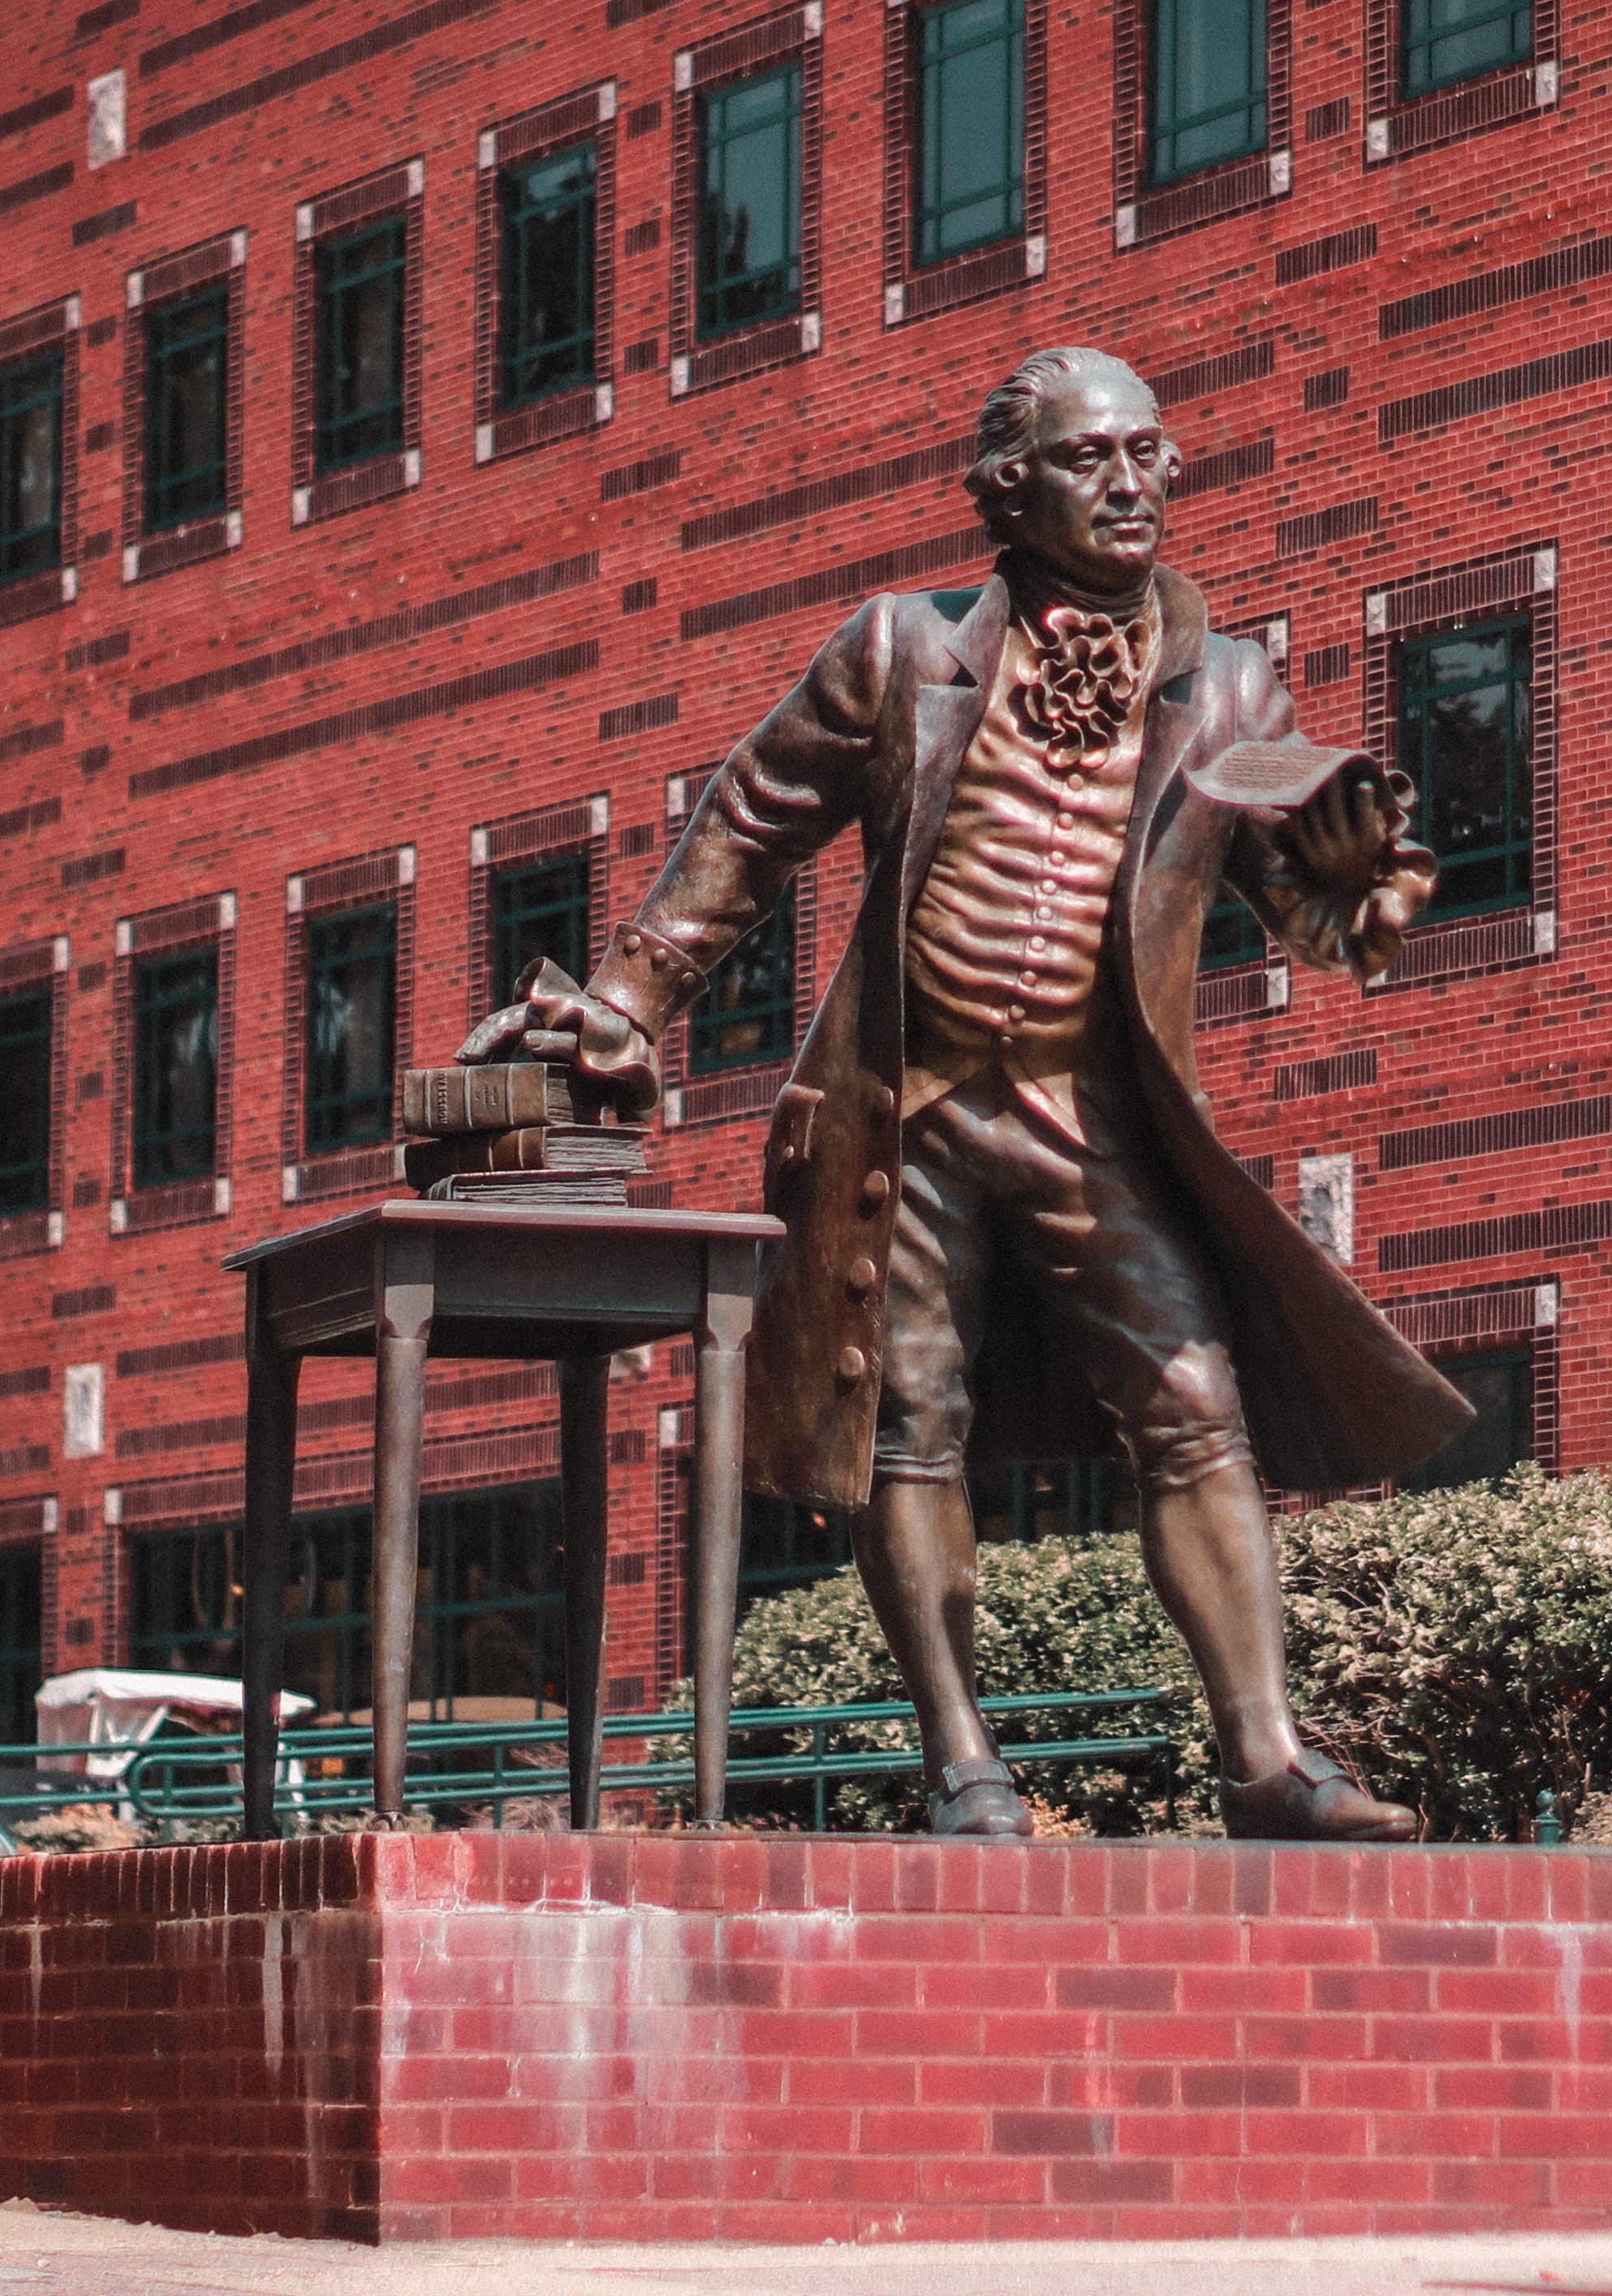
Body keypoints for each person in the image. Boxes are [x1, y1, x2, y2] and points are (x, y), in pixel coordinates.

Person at [465, 345, 1469, 1842]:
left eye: (1148, 453)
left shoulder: (1233, 680)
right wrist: (626, 1003)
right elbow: (751, 821)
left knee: (1199, 1405)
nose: (1130, 483)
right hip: (906, 1108)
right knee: (907, 1422)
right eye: (1088, 459)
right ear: (1009, 491)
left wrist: (1359, 899)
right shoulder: (899, 651)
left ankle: (1266, 1756)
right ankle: (962, 1763)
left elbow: (1291, 890)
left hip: (1096, 1113)